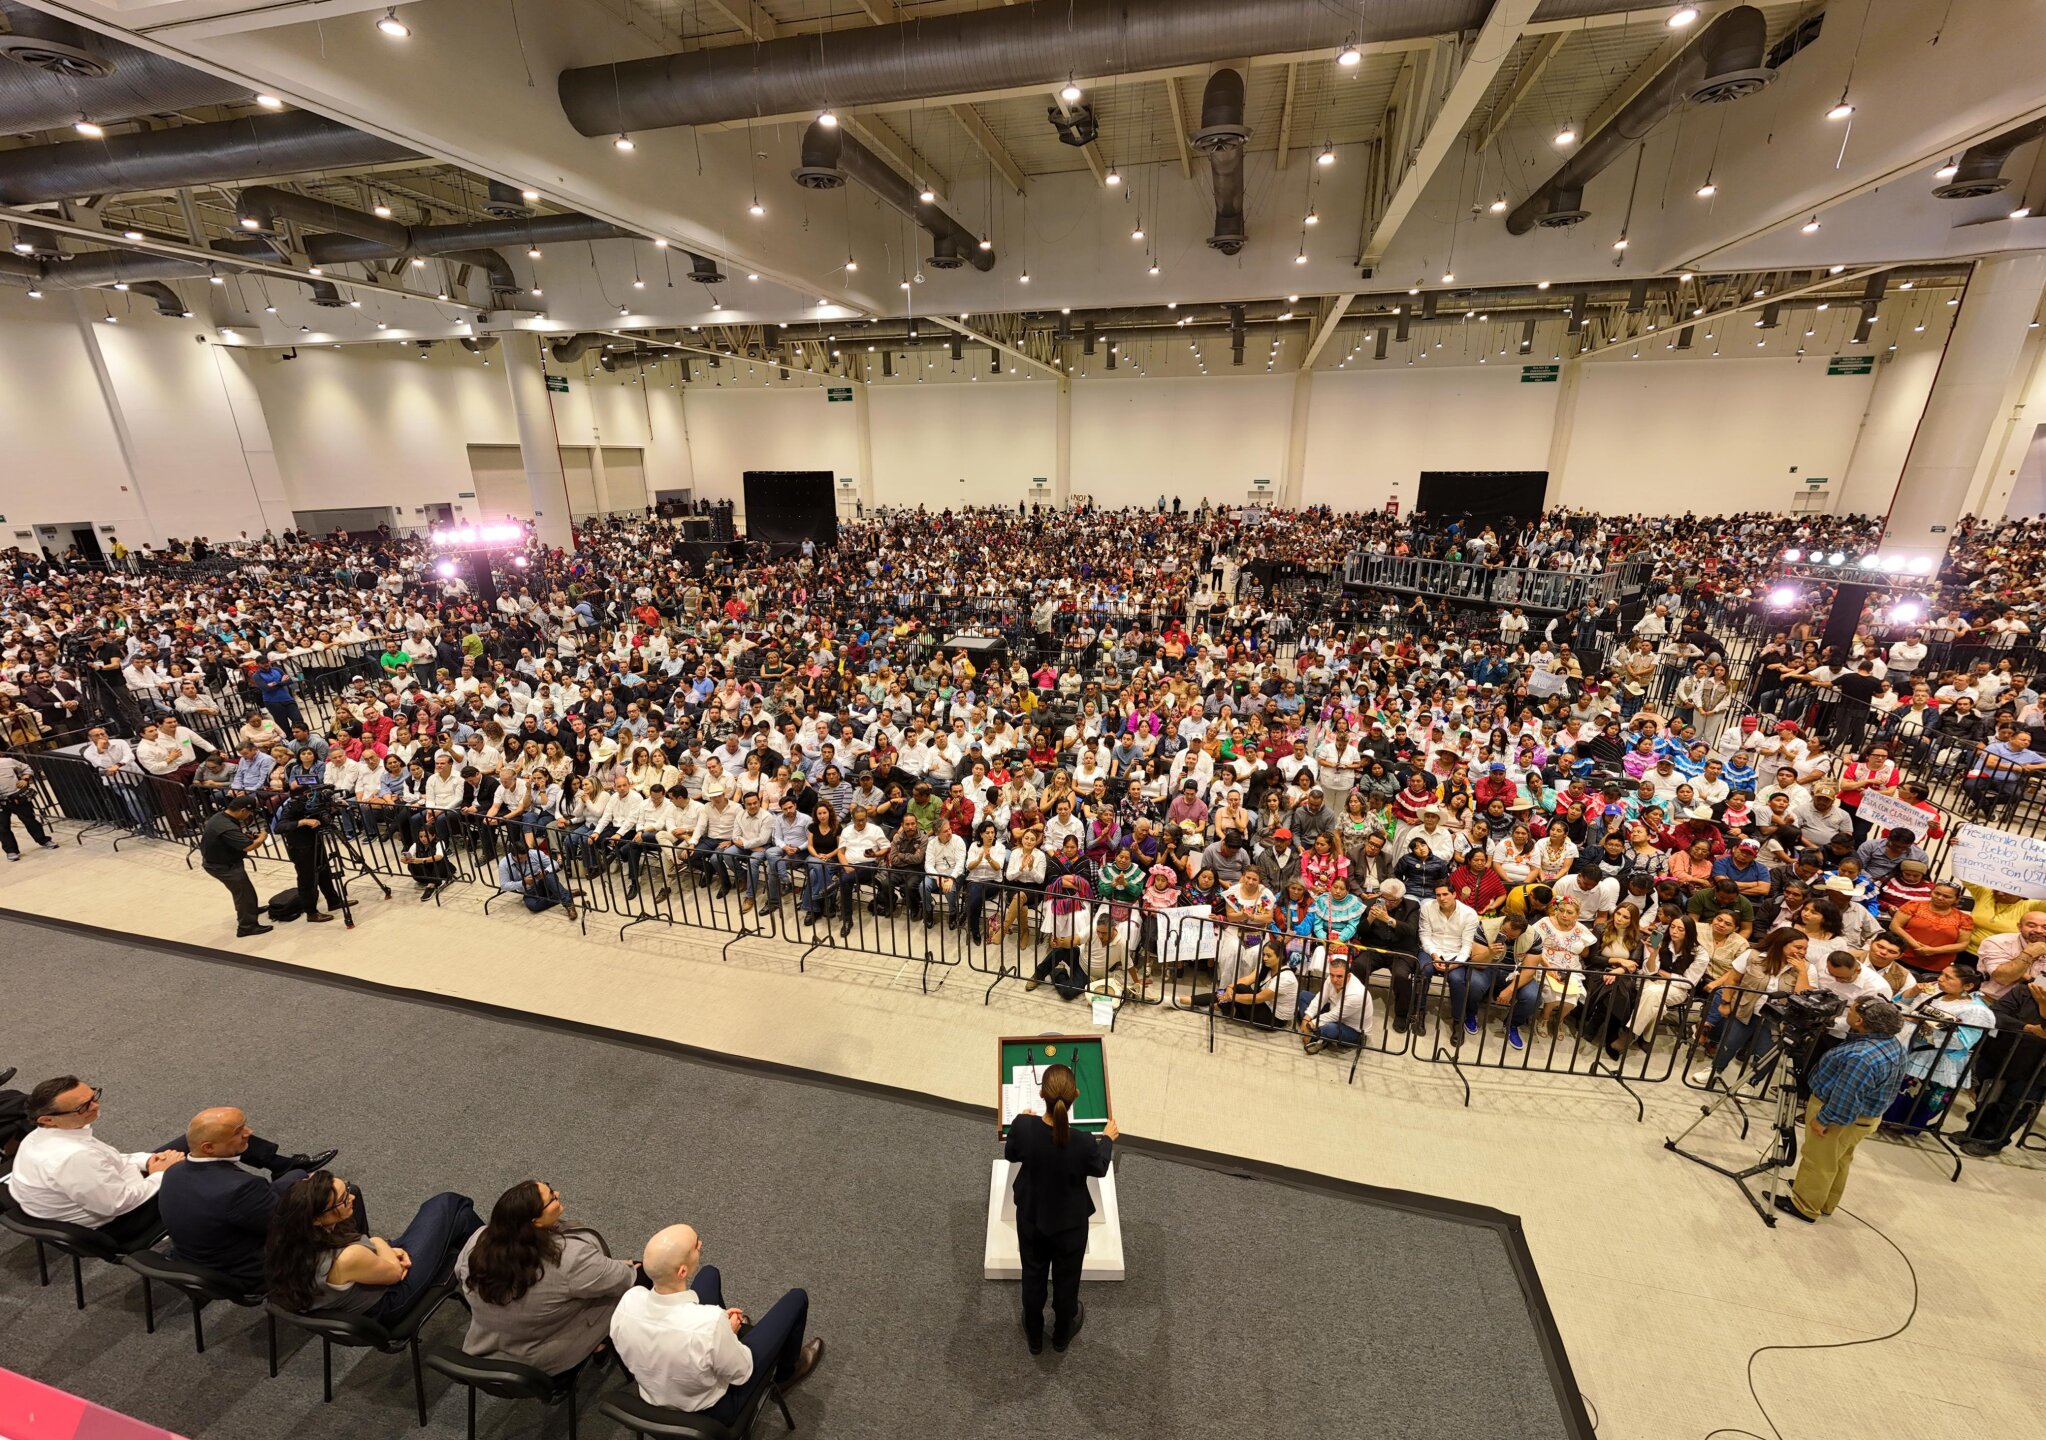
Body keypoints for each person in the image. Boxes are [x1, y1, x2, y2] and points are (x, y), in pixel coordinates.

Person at [9, 1079, 330, 1250]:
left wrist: (148, 1161)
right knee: (203, 1158)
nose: (96, 1105)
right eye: (84, 1106)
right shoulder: (70, 1158)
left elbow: (112, 1162)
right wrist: (161, 1175)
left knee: (204, 1132)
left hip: (110, 1193)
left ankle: (281, 1164)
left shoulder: (50, 1135)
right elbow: (115, 1204)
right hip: (120, 1222)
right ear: (48, 1118)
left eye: (93, 1095)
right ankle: (269, 1194)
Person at [609, 1223, 824, 1418]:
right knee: (797, 1298)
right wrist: (727, 1333)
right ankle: (786, 1373)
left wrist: (720, 1330)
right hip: (710, 1408)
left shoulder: (628, 1303)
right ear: (682, 1271)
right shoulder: (709, 1324)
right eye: (695, 1245)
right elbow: (741, 1373)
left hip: (654, 1396)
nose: (700, 1244)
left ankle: (723, 1346)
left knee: (708, 1274)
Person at [455, 1180, 638, 1376]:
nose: (557, 1193)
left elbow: (459, 1273)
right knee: (642, 1277)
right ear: (535, 1222)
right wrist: (627, 1266)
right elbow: (623, 1279)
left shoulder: (477, 1240)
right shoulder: (569, 1258)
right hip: (539, 1363)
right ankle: (602, 1343)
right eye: (552, 1197)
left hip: (486, 1347)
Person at [157, 1106, 347, 1290]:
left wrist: (295, 1175)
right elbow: (285, 1223)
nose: (249, 1132)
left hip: (195, 1258)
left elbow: (256, 1203)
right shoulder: (240, 1188)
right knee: (338, 1195)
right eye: (238, 1132)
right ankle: (357, 1262)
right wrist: (307, 1182)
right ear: (209, 1147)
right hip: (245, 1270)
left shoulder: (173, 1171)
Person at [1003, 1064, 1117, 1354]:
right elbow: (1100, 1167)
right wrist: (1107, 1140)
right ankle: (1062, 1334)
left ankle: (1033, 1332)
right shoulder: (1084, 1143)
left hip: (1032, 1219)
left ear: (1041, 1094)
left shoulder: (1023, 1127)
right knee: (1067, 1280)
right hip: (1070, 1226)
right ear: (1076, 1095)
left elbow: (1011, 1152)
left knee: (1033, 1275)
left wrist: (1022, 1122)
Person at [265, 1170, 482, 1320]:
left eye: (346, 1188)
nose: (351, 1197)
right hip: (391, 1300)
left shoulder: (289, 1239)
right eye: (342, 1200)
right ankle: (495, 1264)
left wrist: (379, 1251)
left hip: (363, 1280)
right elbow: (396, 1273)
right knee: (448, 1202)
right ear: (317, 1218)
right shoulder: (347, 1257)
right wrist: (379, 1244)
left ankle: (490, 1260)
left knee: (461, 1219)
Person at [1776, 996, 1907, 1223]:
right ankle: (1825, 1201)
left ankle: (1804, 1206)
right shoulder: (1892, 1044)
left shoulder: (1861, 1056)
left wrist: (1825, 1119)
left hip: (1839, 1114)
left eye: (1852, 1009)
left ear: (1859, 1019)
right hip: (1865, 1118)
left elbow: (1847, 1095)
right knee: (1839, 1159)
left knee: (1818, 1160)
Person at [198, 795, 271, 937]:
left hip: (223, 862)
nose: (249, 816)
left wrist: (244, 837)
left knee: (246, 891)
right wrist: (263, 836)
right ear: (243, 810)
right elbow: (249, 847)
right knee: (244, 895)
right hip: (223, 866)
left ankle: (251, 910)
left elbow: (234, 839)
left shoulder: (221, 816)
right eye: (249, 813)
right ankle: (247, 927)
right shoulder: (227, 827)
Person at [277, 785, 342, 924]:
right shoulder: (292, 806)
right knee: (308, 880)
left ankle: (334, 901)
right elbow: (279, 827)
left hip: (316, 843)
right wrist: (303, 822)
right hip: (300, 848)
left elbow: (324, 817)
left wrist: (333, 808)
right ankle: (311, 913)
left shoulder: (314, 804)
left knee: (325, 873)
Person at [0, 752, 60, 861]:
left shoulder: (8, 761)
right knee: (2, 827)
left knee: (30, 820)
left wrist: (25, 779)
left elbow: (27, 768)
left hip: (16, 797)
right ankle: (11, 851)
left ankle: (44, 840)